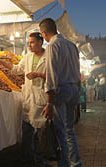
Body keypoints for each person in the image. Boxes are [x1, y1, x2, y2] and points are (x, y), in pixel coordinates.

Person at [0, 32, 47, 166]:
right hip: (28, 96)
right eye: (28, 43)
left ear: (40, 42)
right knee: (26, 129)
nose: (29, 45)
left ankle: (39, 158)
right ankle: (27, 158)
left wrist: (39, 75)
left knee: (40, 131)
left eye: (32, 42)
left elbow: (55, 76)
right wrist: (0, 62)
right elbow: (17, 69)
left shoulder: (49, 57)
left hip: (41, 96)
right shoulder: (27, 57)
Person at [39, 18, 82, 167]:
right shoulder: (72, 45)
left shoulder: (52, 45)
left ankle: (64, 164)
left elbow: (51, 74)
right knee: (70, 130)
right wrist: (78, 89)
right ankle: (76, 163)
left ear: (44, 33)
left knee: (61, 131)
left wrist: (49, 102)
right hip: (74, 88)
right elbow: (78, 70)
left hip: (61, 90)